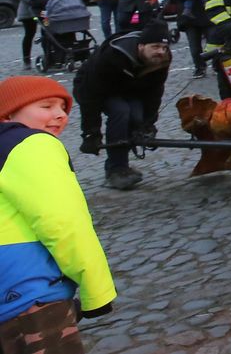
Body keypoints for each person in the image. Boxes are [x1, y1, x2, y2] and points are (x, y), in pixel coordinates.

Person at [0, 76, 118, 352]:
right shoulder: (31, 145)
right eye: (46, 106)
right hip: (31, 293)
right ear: (8, 114)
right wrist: (96, 291)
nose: (60, 115)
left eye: (63, 108)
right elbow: (63, 223)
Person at [71, 19, 171, 190]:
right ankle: (116, 169)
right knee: (121, 111)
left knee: (137, 117)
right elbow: (90, 97)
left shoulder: (162, 60)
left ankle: (121, 159)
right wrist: (91, 133)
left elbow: (154, 93)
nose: (160, 52)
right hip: (95, 88)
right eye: (155, 47)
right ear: (141, 46)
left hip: (129, 89)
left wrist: (148, 124)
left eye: (164, 47)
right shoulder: (112, 56)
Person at [169, 0, 215, 78]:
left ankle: (217, 65)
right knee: (194, 47)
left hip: (209, 16)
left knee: (213, 43)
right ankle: (199, 67)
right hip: (190, 18)